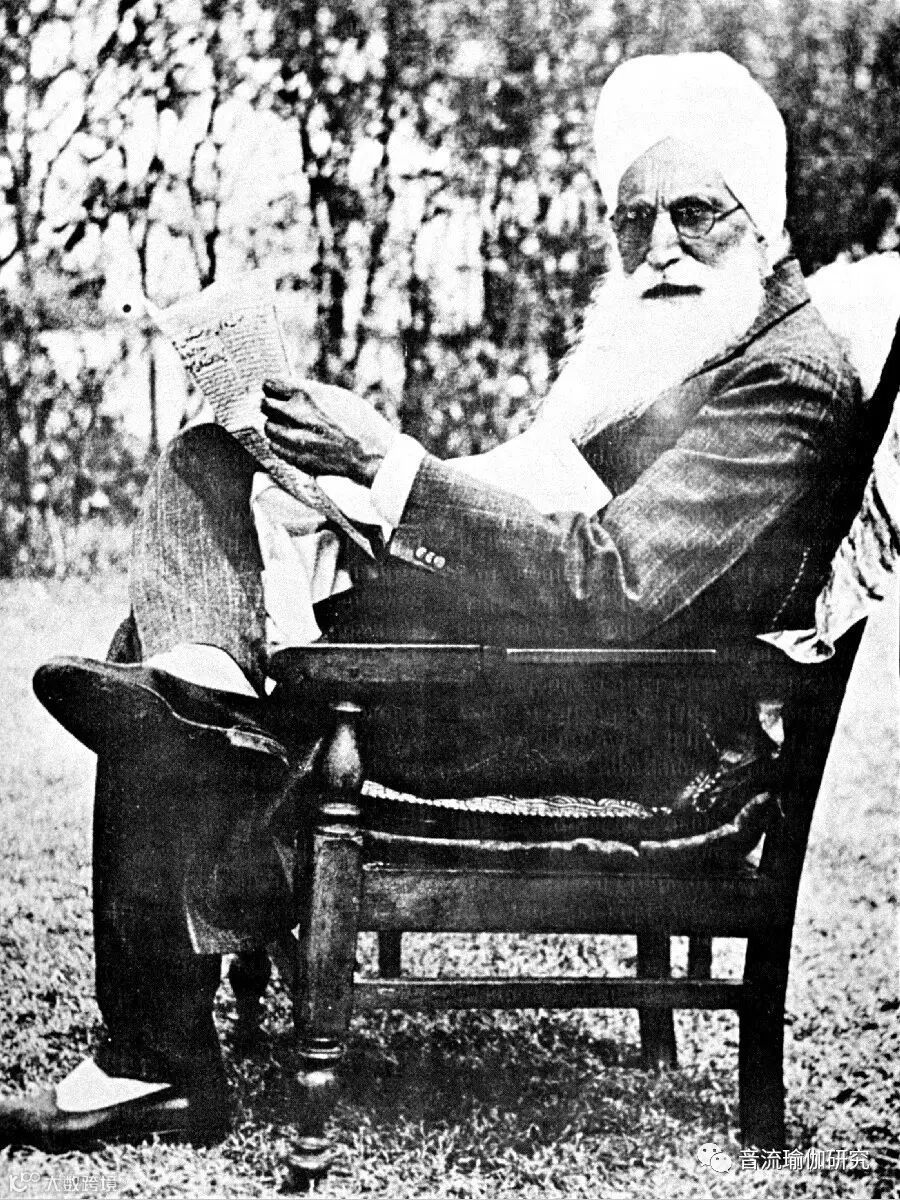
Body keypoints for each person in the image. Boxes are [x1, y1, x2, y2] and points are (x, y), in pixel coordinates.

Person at [0, 51, 872, 1151]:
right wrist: (350, 497)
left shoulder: (785, 375)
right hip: (536, 669)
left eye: (695, 214)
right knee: (209, 463)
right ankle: (201, 703)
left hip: (619, 721)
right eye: (632, 219)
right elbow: (548, 511)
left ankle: (159, 1038)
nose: (658, 247)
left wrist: (394, 468)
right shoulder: (684, 342)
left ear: (765, 219)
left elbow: (611, 584)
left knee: (150, 673)